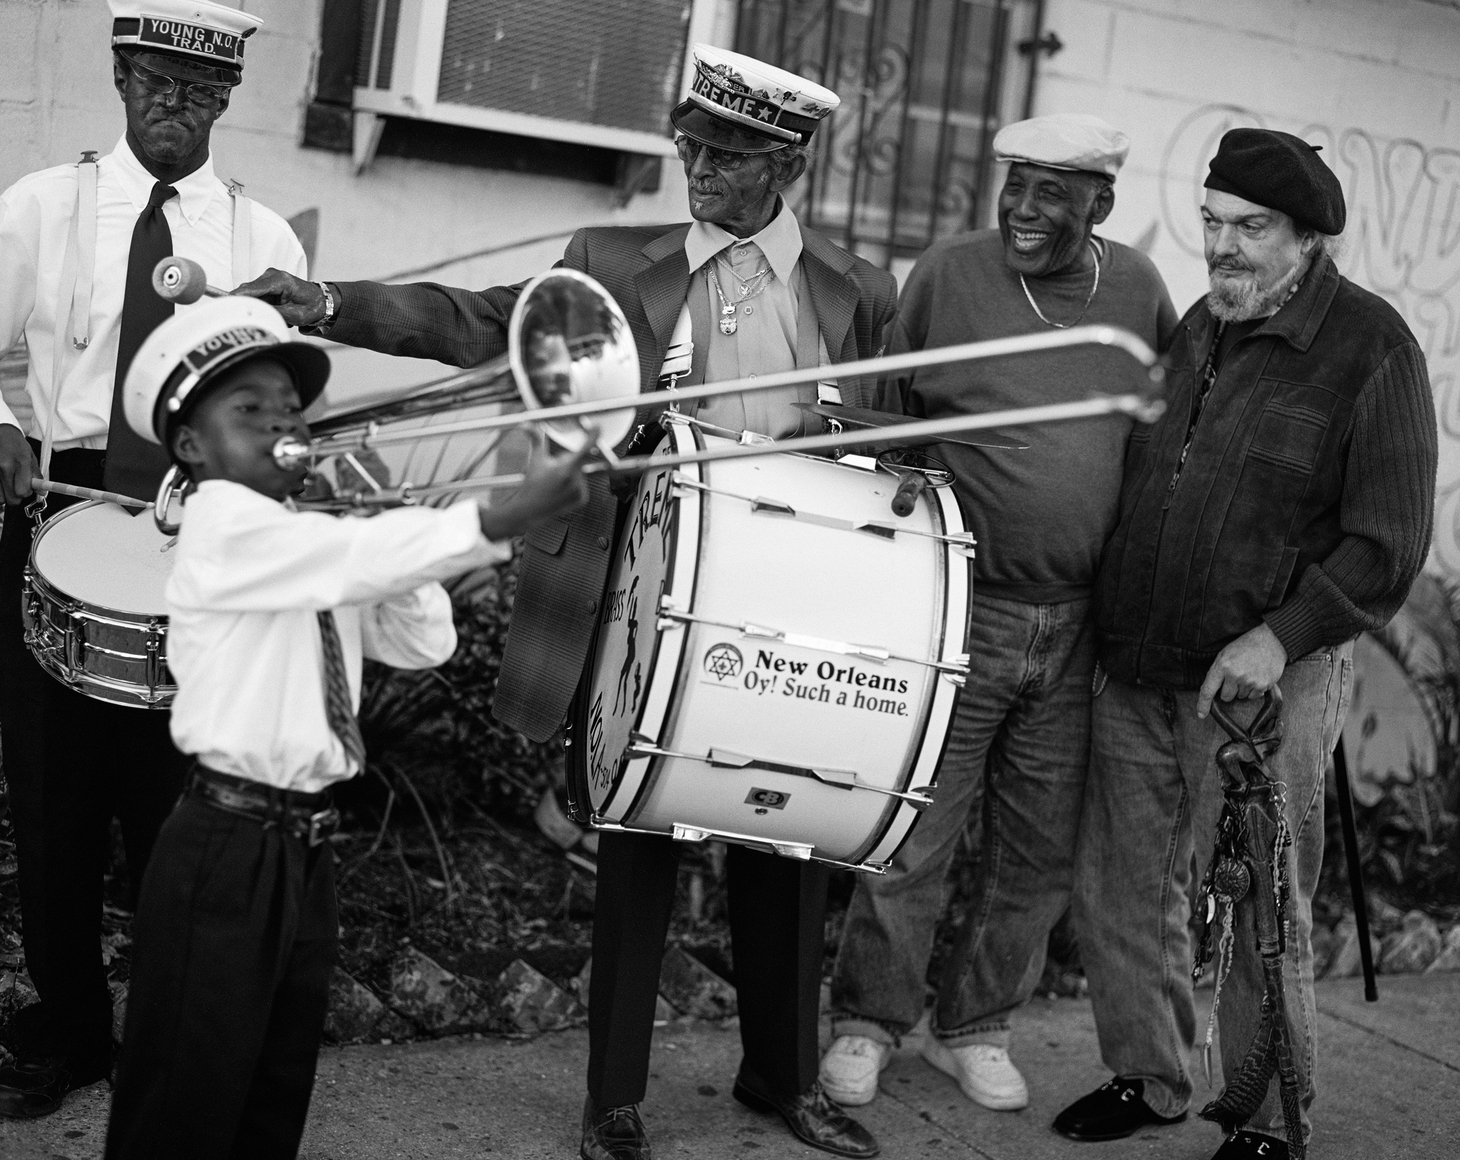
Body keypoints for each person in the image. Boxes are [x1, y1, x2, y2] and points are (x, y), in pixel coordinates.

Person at [238, 43, 894, 1160]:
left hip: (784, 604)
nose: (696, 166)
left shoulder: (858, 290)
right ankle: (615, 1098)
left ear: (784, 159)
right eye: (690, 144)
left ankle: (780, 1075)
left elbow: (876, 450)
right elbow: (479, 321)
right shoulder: (607, 258)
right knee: (633, 843)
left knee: (789, 847)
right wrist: (330, 302)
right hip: (634, 589)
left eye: (725, 153)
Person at [101, 295, 592, 1157]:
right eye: (247, 411)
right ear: (190, 446)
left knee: (271, 1086)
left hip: (306, 848)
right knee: (184, 1096)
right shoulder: (222, 528)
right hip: (224, 844)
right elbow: (348, 562)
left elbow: (424, 639)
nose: (280, 425)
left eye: (290, 409)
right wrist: (494, 519)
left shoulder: (310, 541)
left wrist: (372, 527)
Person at [1055, 129, 1436, 1159]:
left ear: (1306, 239)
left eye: (1250, 229)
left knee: (1264, 906)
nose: (1222, 248)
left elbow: (1387, 545)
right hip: (1137, 665)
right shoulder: (1201, 324)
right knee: (1123, 887)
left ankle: (1266, 1121)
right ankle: (1150, 1073)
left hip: (1257, 688)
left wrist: (1281, 635)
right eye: (1213, 222)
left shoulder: (1372, 349)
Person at [817, 114, 1178, 1113]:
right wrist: (889, 485)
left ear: (1098, 203)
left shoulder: (1140, 292)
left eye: (1049, 192)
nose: (1022, 209)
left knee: (1034, 849)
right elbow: (885, 410)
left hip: (1077, 627)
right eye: (1014, 184)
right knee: (915, 831)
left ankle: (969, 1025)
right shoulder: (947, 272)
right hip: (959, 604)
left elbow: (1166, 431)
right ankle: (867, 1020)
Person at [0, 0, 307, 1118]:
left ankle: (173, 1039)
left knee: (181, 804)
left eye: (196, 91)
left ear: (227, 99)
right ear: (119, 77)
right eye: (152, 83)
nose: (171, 107)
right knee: (54, 804)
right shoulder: (44, 205)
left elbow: (278, 408)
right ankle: (70, 1026)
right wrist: (0, 424)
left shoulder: (262, 240)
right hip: (61, 521)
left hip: (197, 534)